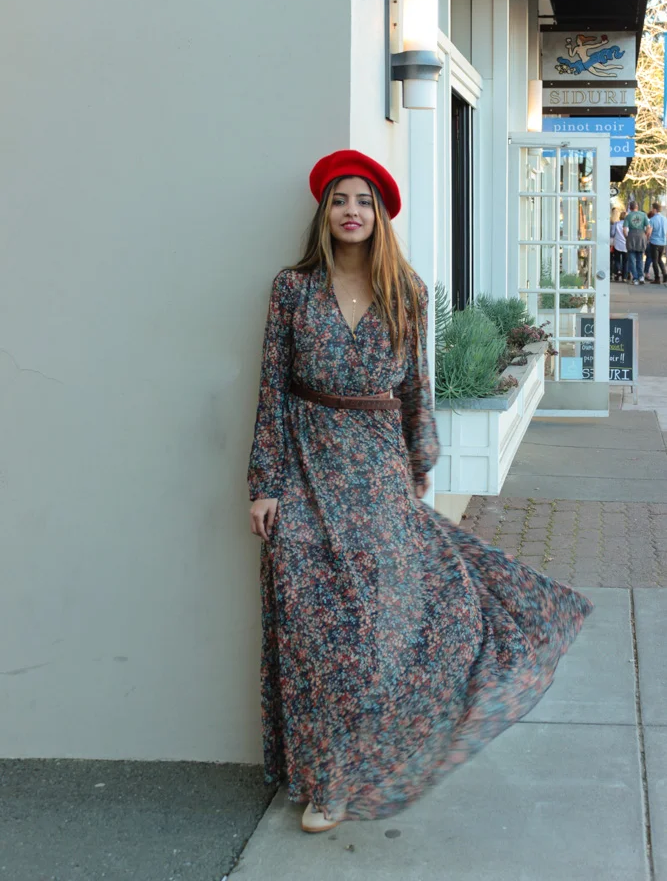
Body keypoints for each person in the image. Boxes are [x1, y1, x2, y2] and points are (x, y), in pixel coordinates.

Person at [247, 149, 593, 833]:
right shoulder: (291, 289)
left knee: (377, 630)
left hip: (377, 472)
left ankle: (368, 763)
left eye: (363, 201)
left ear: (380, 216)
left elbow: (414, 390)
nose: (351, 211)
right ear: (325, 213)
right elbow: (270, 390)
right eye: (341, 200)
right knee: (315, 638)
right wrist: (265, 484)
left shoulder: (408, 291)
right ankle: (325, 783)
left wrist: (420, 461)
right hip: (307, 467)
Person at [624, 200, 651, 284]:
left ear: (630, 208)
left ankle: (635, 278)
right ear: (637, 207)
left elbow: (624, 229)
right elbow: (649, 228)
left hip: (631, 236)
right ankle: (641, 277)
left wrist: (627, 237)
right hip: (641, 236)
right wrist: (646, 236)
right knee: (640, 258)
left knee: (631, 259)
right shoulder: (643, 215)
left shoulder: (628, 216)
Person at [647, 202, 667, 285]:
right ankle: (665, 274)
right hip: (663, 242)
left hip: (654, 242)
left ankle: (657, 278)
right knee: (660, 260)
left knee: (654, 260)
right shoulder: (665, 219)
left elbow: (649, 232)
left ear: (654, 209)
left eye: (652, 208)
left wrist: (647, 239)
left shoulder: (652, 219)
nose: (651, 210)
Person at [611, 210, 627, 282]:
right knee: (625, 261)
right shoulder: (628, 225)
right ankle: (624, 277)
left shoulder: (616, 224)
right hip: (626, 245)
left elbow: (612, 233)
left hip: (617, 244)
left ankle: (617, 272)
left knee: (617, 259)